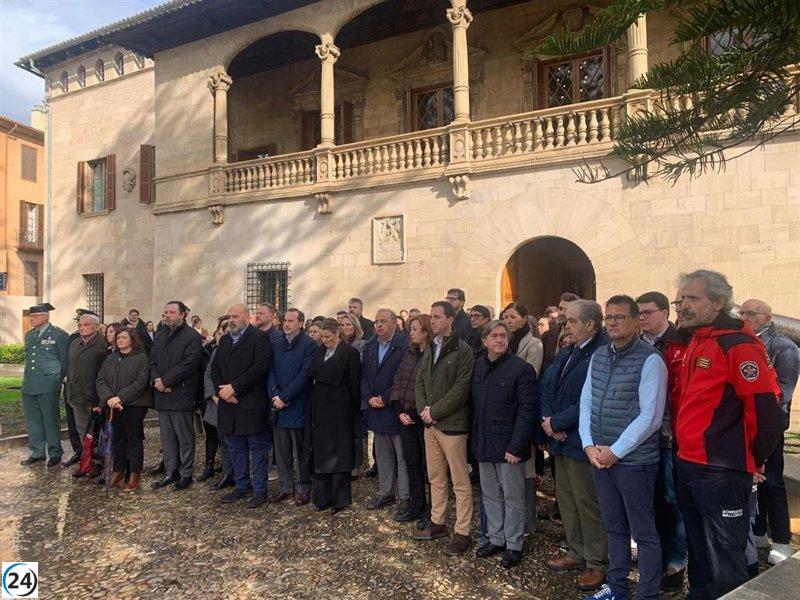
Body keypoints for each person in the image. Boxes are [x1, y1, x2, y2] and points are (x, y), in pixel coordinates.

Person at [674, 270, 784, 599]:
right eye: (680, 299)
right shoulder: (697, 339)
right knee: (700, 552)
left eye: (692, 298)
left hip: (721, 470)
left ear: (719, 302)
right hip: (688, 463)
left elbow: (765, 412)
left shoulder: (737, 346)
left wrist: (755, 459)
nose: (682, 306)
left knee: (725, 560)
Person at [579, 295, 667, 600]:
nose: (613, 323)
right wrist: (589, 446)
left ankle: (647, 593)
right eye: (608, 318)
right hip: (600, 458)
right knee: (614, 528)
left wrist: (616, 451)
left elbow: (651, 416)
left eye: (619, 317)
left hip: (634, 462)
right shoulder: (599, 355)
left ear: (634, 321)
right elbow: (586, 402)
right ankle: (616, 588)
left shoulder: (650, 359)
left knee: (644, 533)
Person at [541, 300, 608, 592]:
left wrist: (557, 423)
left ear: (590, 324)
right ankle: (575, 550)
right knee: (567, 499)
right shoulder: (570, 350)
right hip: (559, 437)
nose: (565, 326)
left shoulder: (601, 352)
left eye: (570, 321)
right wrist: (548, 421)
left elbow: (589, 399)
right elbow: (548, 385)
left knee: (587, 502)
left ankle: (596, 561)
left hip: (581, 440)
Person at [739, 298, 800, 565]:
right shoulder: (743, 341)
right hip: (747, 424)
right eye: (742, 312)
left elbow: (784, 391)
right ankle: (760, 532)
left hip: (771, 424)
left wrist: (760, 410)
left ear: (767, 316)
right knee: (755, 483)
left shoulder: (783, 347)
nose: (745, 317)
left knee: (773, 482)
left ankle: (783, 540)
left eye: (750, 313)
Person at [472, 320, 537, 569]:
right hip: (484, 441)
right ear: (485, 340)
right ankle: (496, 537)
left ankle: (513, 543)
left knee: (513, 495)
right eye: (495, 336)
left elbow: (527, 410)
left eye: (503, 336)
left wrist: (517, 446)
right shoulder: (478, 366)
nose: (500, 340)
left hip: (509, 443)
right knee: (490, 493)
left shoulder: (521, 369)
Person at [414, 301, 475, 556]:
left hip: (452, 426)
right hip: (431, 425)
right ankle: (438, 522)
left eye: (438, 317)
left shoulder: (463, 351)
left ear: (450, 320)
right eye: (433, 317)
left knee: (460, 481)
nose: (434, 321)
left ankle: (463, 531)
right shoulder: (430, 347)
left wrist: (435, 412)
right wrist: (423, 410)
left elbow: (460, 389)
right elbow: (420, 381)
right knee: (436, 477)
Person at [636, 291, 688, 589]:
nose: (642, 317)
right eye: (639, 312)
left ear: (664, 312)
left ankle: (676, 562)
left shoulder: (681, 342)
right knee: (649, 499)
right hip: (643, 435)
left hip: (672, 433)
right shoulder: (638, 344)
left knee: (672, 500)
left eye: (647, 312)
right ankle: (652, 559)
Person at [212, 303, 274, 508]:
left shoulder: (259, 338)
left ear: (247, 318)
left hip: (250, 403)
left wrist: (235, 388)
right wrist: (223, 391)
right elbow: (215, 368)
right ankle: (241, 485)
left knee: (257, 449)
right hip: (229, 405)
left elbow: (260, 368)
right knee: (235, 448)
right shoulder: (224, 341)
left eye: (235, 316)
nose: (231, 320)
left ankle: (259, 489)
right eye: (229, 316)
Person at [309, 318, 362, 513]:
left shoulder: (350, 353)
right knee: (322, 452)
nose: (324, 340)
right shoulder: (320, 351)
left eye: (328, 337)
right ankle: (323, 497)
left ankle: (340, 499)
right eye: (322, 337)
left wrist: (352, 409)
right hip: (321, 406)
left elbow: (355, 383)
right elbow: (312, 371)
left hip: (341, 408)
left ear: (337, 335)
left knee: (339, 453)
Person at [149, 300, 203, 491]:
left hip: (181, 394)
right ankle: (171, 472)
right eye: (166, 312)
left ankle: (186, 473)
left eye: (172, 312)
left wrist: (166, 381)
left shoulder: (192, 336)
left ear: (183, 314)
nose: (168, 315)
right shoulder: (160, 335)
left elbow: (189, 364)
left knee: (184, 437)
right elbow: (153, 361)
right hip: (162, 396)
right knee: (167, 438)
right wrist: (157, 381)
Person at [361, 309, 410, 515]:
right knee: (382, 455)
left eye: (383, 321)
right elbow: (363, 375)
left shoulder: (404, 345)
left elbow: (404, 376)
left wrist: (386, 396)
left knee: (402, 456)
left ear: (394, 323)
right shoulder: (371, 345)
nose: (379, 325)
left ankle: (405, 497)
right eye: (376, 322)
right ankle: (386, 491)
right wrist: (369, 397)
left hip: (395, 407)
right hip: (376, 408)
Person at [502, 301, 544, 537]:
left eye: (512, 317)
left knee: (525, 469)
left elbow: (530, 375)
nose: (508, 321)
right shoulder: (505, 342)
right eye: (505, 317)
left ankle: (528, 521)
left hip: (521, 410)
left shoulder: (533, 344)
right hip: (503, 413)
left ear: (524, 319)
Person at [268, 308, 317, 506]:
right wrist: (274, 394)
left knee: (301, 452)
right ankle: (285, 487)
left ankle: (305, 488)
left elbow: (306, 375)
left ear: (301, 323)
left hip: (298, 405)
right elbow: (270, 371)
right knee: (281, 451)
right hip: (279, 405)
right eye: (284, 320)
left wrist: (286, 396)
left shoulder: (309, 345)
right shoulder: (277, 343)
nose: (286, 324)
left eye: (291, 321)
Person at [95, 327, 153, 492]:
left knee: (133, 439)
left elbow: (140, 382)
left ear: (132, 340)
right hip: (112, 405)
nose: (120, 340)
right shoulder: (111, 358)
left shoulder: (141, 358)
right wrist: (110, 398)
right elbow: (100, 380)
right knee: (116, 439)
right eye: (118, 337)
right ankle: (118, 470)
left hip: (134, 405)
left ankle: (134, 473)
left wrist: (120, 397)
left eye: (124, 337)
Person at [391, 313, 432, 526]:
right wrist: (399, 410)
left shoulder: (433, 354)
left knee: (430, 467)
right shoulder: (409, 353)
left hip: (424, 419)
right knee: (412, 463)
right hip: (406, 417)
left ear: (426, 331)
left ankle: (433, 511)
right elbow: (398, 381)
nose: (411, 333)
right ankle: (417, 504)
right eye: (410, 329)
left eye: (415, 329)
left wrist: (415, 413)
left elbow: (431, 389)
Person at [20, 303, 70, 468]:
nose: (32, 319)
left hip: (49, 383)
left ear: (45, 316)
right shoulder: (29, 335)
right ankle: (37, 452)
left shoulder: (59, 335)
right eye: (31, 316)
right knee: (33, 420)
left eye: (35, 316)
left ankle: (55, 452)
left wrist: (60, 378)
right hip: (30, 383)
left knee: (50, 419)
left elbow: (65, 360)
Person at [65, 312, 108, 477]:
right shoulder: (75, 343)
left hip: (94, 399)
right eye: (80, 325)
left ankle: (99, 463)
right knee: (83, 432)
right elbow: (70, 370)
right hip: (76, 397)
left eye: (86, 325)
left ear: (96, 326)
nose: (82, 328)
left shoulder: (102, 344)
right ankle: (87, 461)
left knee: (97, 433)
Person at [201, 317, 234, 488]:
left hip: (234, 401)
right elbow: (208, 374)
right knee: (219, 439)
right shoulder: (216, 351)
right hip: (216, 402)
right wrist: (213, 396)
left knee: (232, 442)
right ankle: (227, 474)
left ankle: (235, 473)